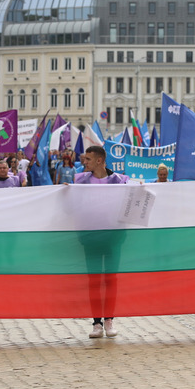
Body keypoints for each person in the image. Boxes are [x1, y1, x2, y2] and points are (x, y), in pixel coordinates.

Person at [74, 145, 129, 339]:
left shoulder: (120, 181)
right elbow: (71, 207)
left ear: (99, 160)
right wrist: (64, 194)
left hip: (113, 238)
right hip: (90, 237)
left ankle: (109, 320)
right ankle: (96, 322)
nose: (84, 162)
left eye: (88, 159)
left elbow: (131, 202)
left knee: (111, 279)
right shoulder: (80, 181)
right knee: (94, 280)